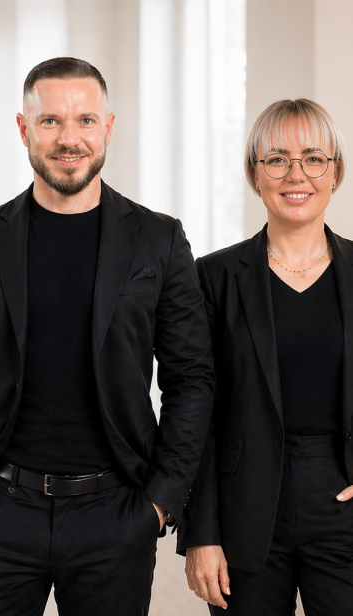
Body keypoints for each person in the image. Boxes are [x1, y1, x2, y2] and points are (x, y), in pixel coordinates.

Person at [0, 56, 214, 616]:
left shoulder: (160, 240)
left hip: (116, 513)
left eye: (85, 120)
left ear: (108, 127)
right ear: (23, 129)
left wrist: (159, 502)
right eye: (50, 121)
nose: (68, 138)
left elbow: (192, 378)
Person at [179, 98, 353, 615]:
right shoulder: (213, 278)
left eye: (313, 158)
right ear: (255, 174)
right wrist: (201, 533)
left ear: (335, 172)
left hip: (341, 503)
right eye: (277, 159)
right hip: (243, 510)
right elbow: (196, 411)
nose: (296, 174)